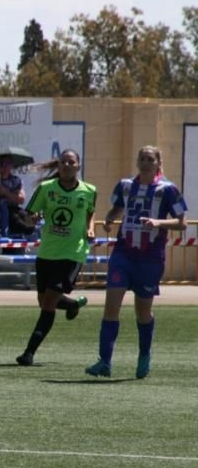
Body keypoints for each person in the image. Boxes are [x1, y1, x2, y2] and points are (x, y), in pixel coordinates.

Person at [85, 145, 188, 378]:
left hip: (150, 258)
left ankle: (144, 356)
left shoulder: (168, 190)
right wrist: (111, 219)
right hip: (123, 254)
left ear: (158, 163)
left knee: (143, 312)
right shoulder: (125, 186)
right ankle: (104, 361)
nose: (144, 162)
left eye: (150, 159)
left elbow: (182, 223)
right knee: (111, 306)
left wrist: (158, 223)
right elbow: (117, 209)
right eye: (141, 158)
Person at [16, 149, 96, 366]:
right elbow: (30, 216)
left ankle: (29, 353)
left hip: (72, 252)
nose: (67, 166)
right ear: (58, 166)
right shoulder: (46, 188)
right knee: (43, 300)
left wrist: (89, 228)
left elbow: (90, 210)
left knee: (49, 301)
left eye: (71, 162)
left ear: (78, 166)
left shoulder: (89, 190)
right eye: (63, 162)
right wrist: (34, 218)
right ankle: (72, 305)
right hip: (47, 252)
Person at [0, 155, 32, 236]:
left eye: (9, 163)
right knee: (16, 220)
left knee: (29, 219)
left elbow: (21, 199)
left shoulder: (15, 180)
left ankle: (30, 233)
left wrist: (6, 193)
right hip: (1, 210)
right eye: (4, 163)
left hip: (14, 208)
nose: (6, 166)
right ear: (0, 165)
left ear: (12, 165)